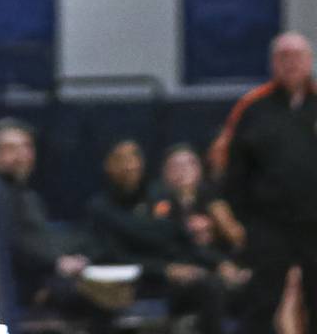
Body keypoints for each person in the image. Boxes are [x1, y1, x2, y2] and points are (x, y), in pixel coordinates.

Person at [85, 140, 239, 334]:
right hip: (137, 282)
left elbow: (183, 242)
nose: (130, 165)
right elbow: (113, 256)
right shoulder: (100, 208)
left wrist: (219, 263)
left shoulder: (159, 195)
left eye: (134, 157)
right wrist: (165, 269)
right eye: (121, 159)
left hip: (174, 282)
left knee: (214, 285)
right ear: (108, 165)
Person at [220, 33, 317, 334]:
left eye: (298, 56)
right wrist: (242, 218)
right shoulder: (252, 107)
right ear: (273, 63)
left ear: (310, 61)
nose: (291, 63)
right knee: (261, 302)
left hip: (315, 223)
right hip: (269, 225)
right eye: (284, 57)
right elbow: (233, 168)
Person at [0, 118, 108, 325]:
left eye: (26, 147)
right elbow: (11, 242)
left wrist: (73, 257)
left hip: (43, 277)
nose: (21, 155)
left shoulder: (28, 195)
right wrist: (57, 263)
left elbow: (41, 239)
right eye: (11, 148)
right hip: (18, 285)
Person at [151, 143, 245, 257]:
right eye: (176, 166)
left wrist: (218, 224)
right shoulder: (157, 199)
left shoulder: (213, 197)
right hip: (177, 262)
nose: (183, 170)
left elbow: (236, 237)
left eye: (190, 164)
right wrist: (186, 229)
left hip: (219, 259)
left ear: (200, 168)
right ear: (164, 172)